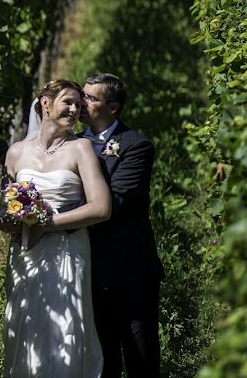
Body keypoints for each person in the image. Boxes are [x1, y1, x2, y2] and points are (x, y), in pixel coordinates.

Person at [0, 79, 111, 377]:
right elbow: (1, 214)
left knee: (64, 329)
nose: (75, 110)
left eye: (78, 105)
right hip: (25, 254)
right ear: (45, 103)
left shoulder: (80, 148)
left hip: (66, 251)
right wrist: (12, 218)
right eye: (68, 102)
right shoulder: (16, 153)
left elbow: (100, 207)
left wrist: (46, 225)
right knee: (25, 323)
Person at [80, 73, 164, 378]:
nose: (82, 102)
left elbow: (113, 204)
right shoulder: (72, 143)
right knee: (101, 364)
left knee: (140, 359)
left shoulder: (135, 146)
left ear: (112, 107)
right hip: (87, 271)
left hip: (129, 272)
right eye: (83, 94)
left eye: (91, 98)